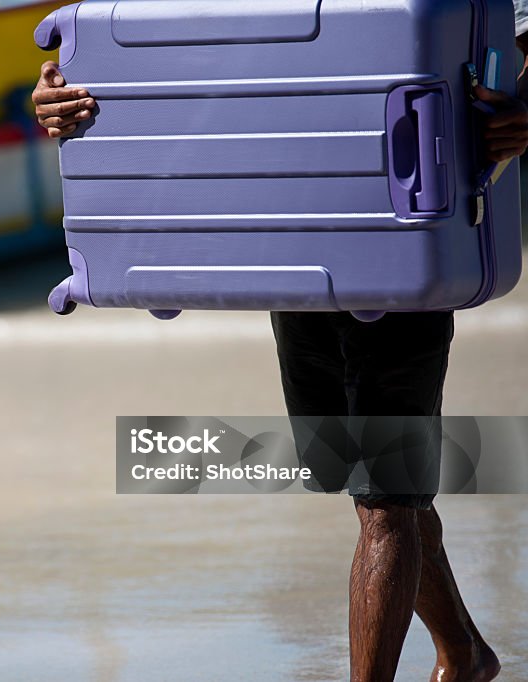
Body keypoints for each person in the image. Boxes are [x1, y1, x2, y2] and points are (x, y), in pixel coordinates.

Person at [31, 9, 528, 682]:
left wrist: (519, 106)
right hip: (297, 223)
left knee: (386, 494)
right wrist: (62, 88)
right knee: (358, 469)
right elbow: (172, 43)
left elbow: (510, 29)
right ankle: (464, 654)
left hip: (405, 227)